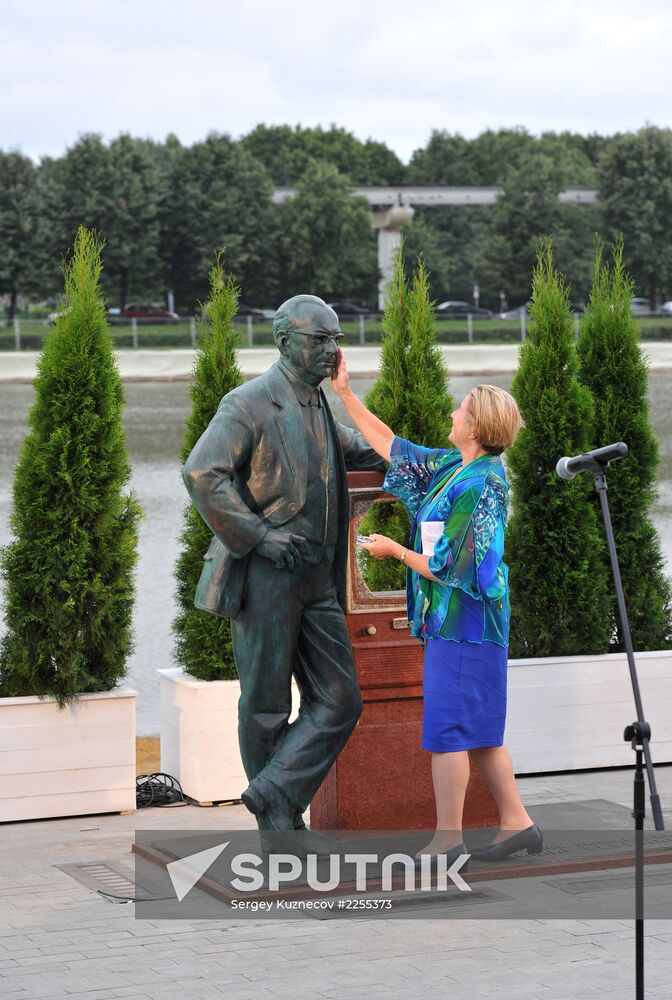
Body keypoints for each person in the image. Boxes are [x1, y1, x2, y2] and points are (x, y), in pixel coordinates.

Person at [182, 295, 386, 852]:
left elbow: (357, 451)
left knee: (341, 699)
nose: (332, 350)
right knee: (267, 704)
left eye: (336, 339)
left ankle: (273, 792)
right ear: (284, 341)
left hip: (316, 579)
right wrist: (260, 536)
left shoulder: (318, 403)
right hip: (265, 576)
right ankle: (280, 828)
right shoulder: (248, 403)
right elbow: (203, 472)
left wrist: (425, 463)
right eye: (320, 340)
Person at [331, 350, 542, 864]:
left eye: (461, 408)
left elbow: (453, 568)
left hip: (464, 627)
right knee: (480, 730)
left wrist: (394, 550)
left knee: (449, 731)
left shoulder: (482, 486)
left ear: (475, 427)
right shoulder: (456, 467)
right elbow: (394, 450)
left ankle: (449, 839)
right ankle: (517, 824)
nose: (452, 413)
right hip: (465, 627)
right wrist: (344, 395)